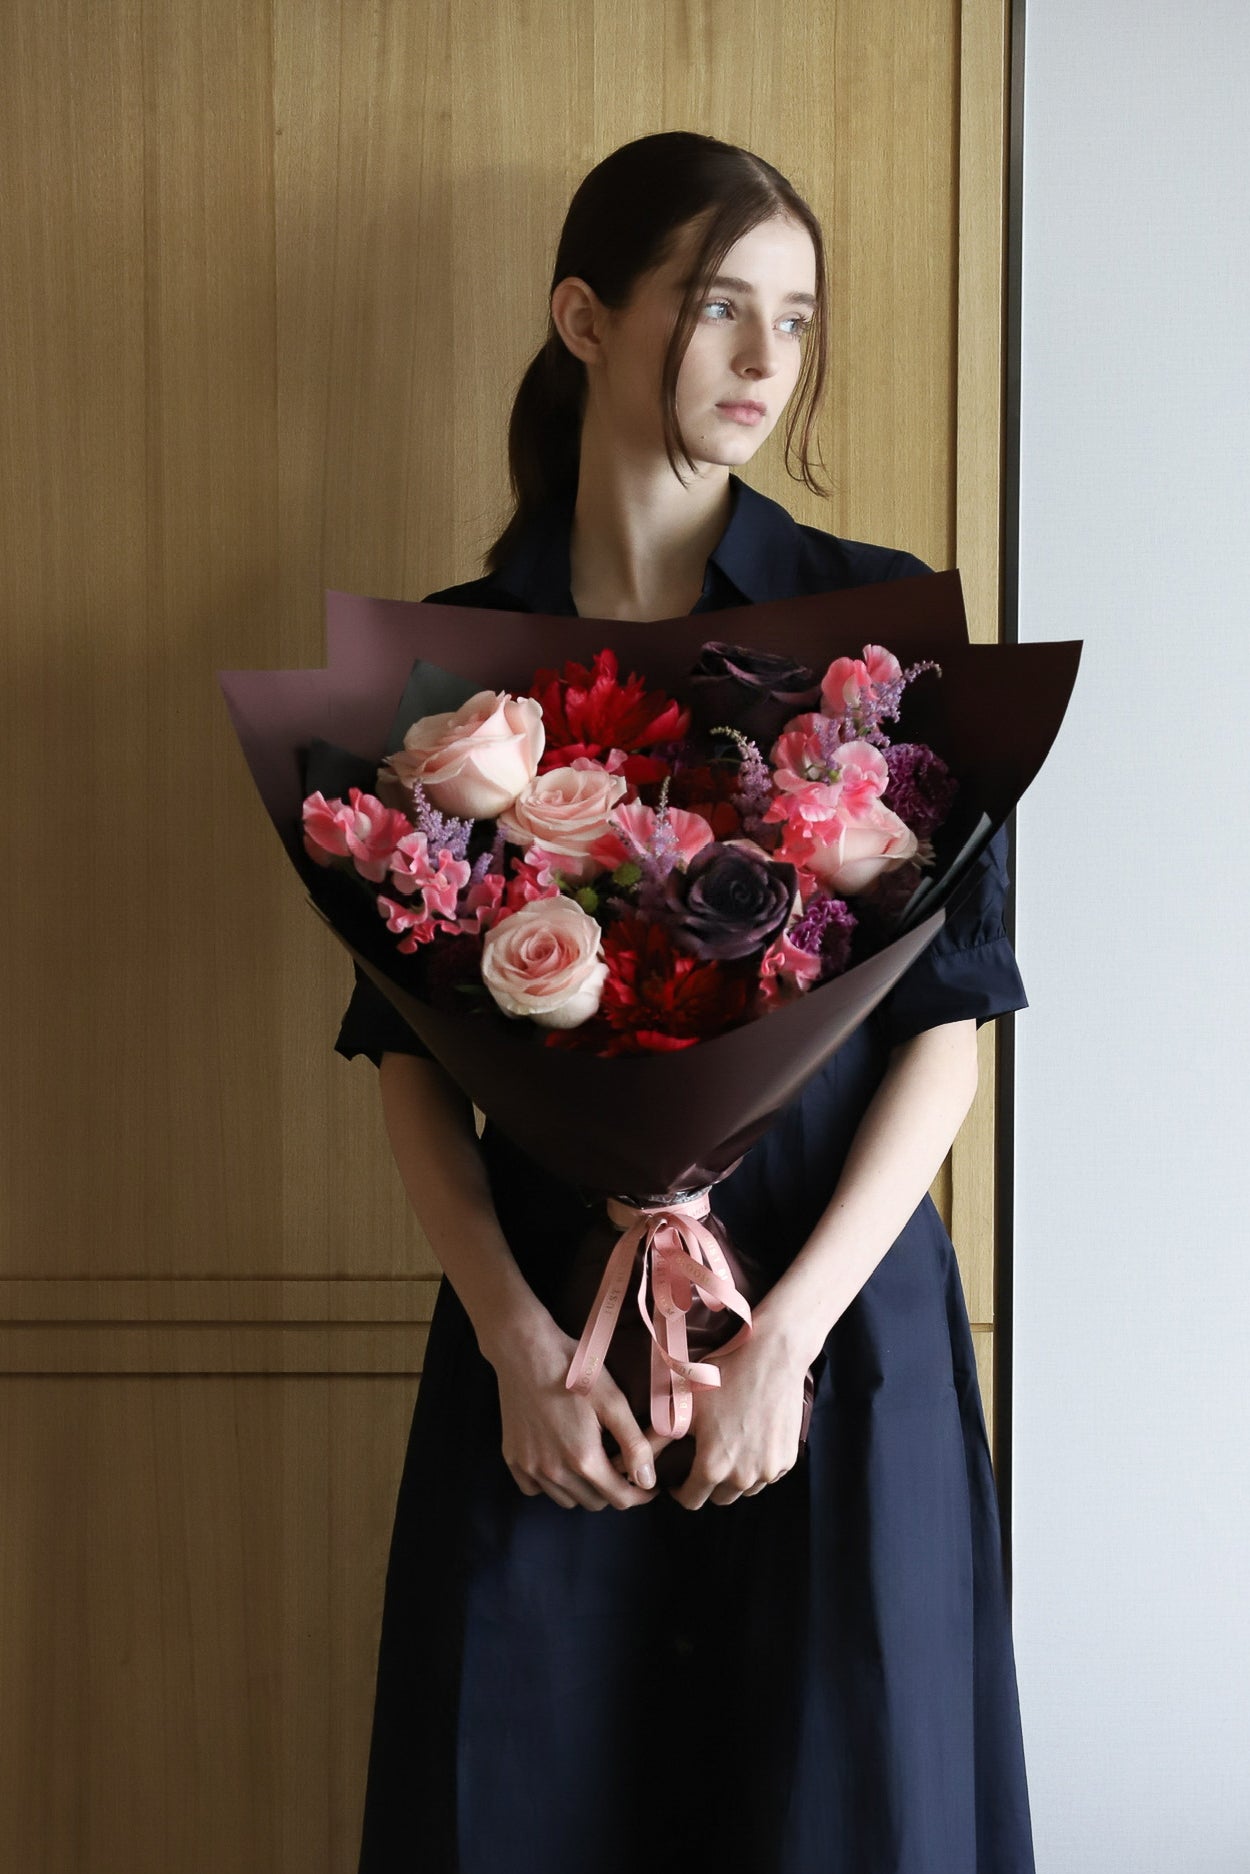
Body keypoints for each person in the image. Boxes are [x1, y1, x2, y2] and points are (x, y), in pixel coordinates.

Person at [336, 131, 1036, 1874]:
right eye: (715, 305)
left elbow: (946, 1031)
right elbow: (402, 1057)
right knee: (519, 1793)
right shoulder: (453, 675)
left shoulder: (874, 636)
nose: (758, 362)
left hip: (832, 1325)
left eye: (791, 321)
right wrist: (511, 1337)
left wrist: (787, 1335)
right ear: (582, 316)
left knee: (844, 1805)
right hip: (546, 1335)